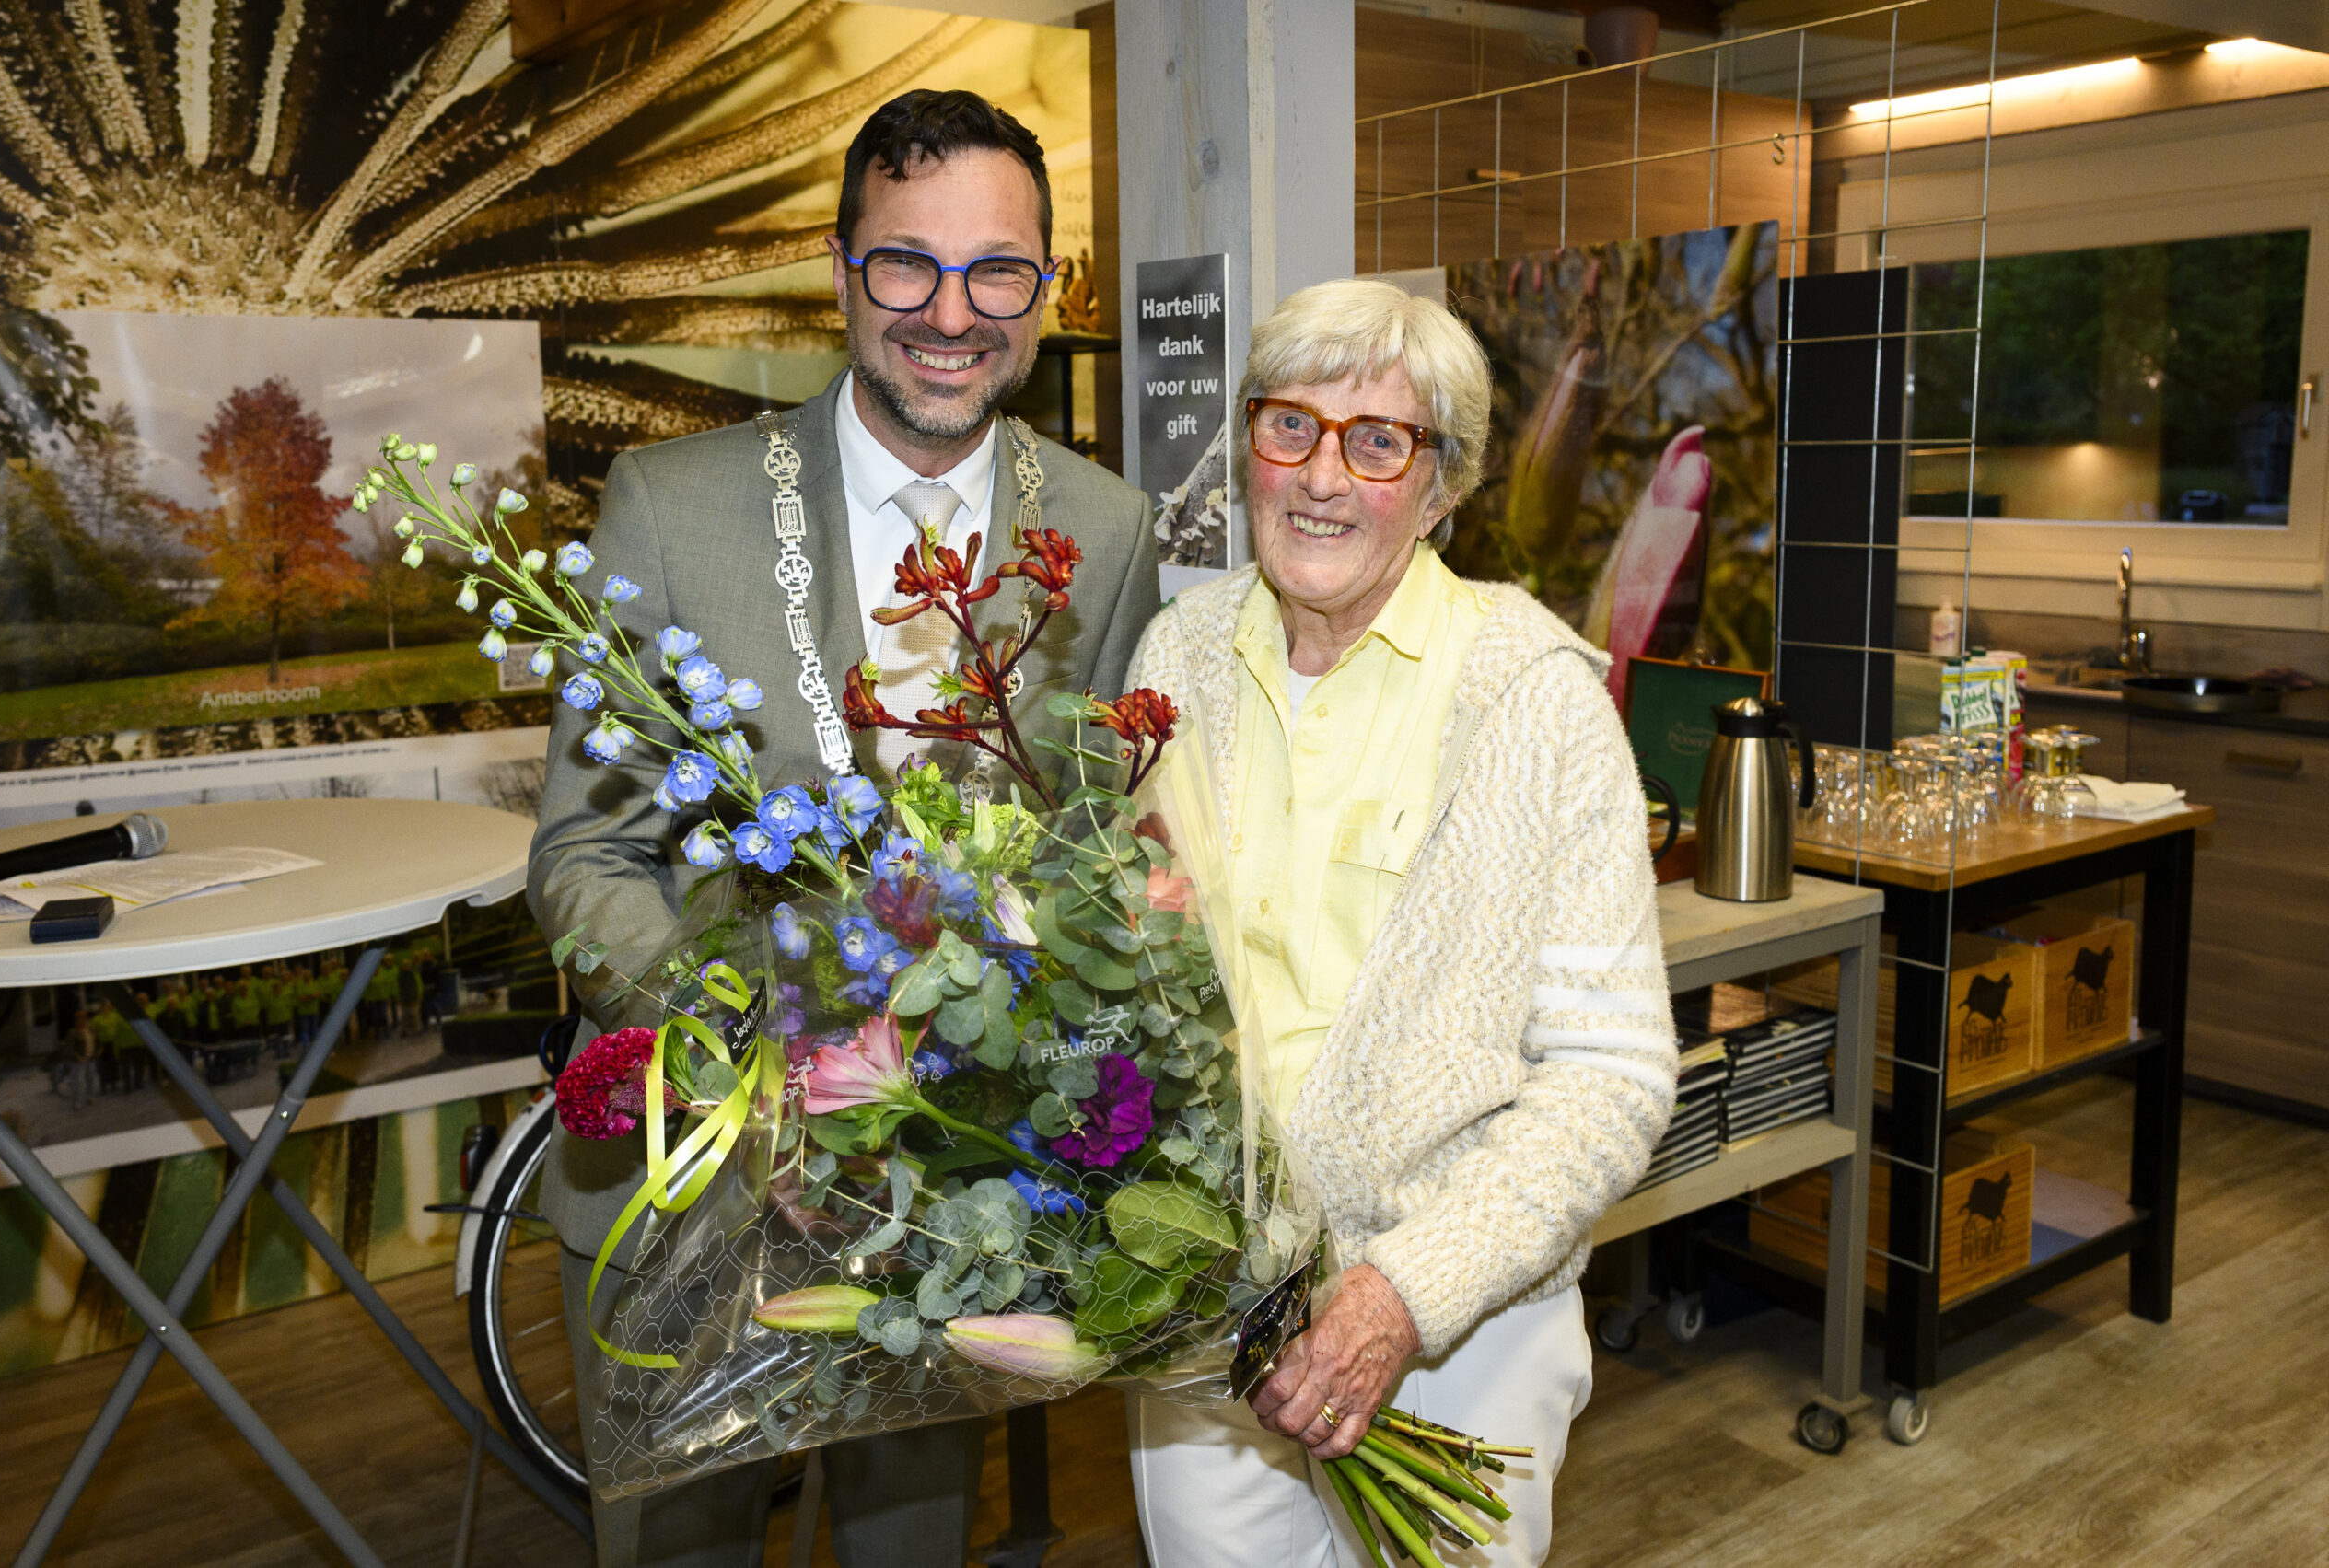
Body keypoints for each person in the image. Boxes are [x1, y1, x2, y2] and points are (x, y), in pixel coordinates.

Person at [528, 88, 1161, 1568]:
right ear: (841, 272)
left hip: (949, 1205)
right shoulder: (671, 508)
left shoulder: (1107, 527)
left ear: (1045, 286)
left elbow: (1096, 849)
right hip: (693, 1180)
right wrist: (756, 1069)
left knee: (911, 1542)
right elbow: (586, 854)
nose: (951, 312)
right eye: (906, 263)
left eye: (996, 269)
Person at [1124, 277, 1678, 1568]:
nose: (1323, 476)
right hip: (1201, 1301)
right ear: (1249, 447)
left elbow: (1611, 1077)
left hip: (1459, 1337)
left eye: (1378, 442)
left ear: (1441, 489)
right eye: (1290, 426)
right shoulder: (1176, 660)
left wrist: (1403, 1295)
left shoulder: (1538, 701)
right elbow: (1124, 979)